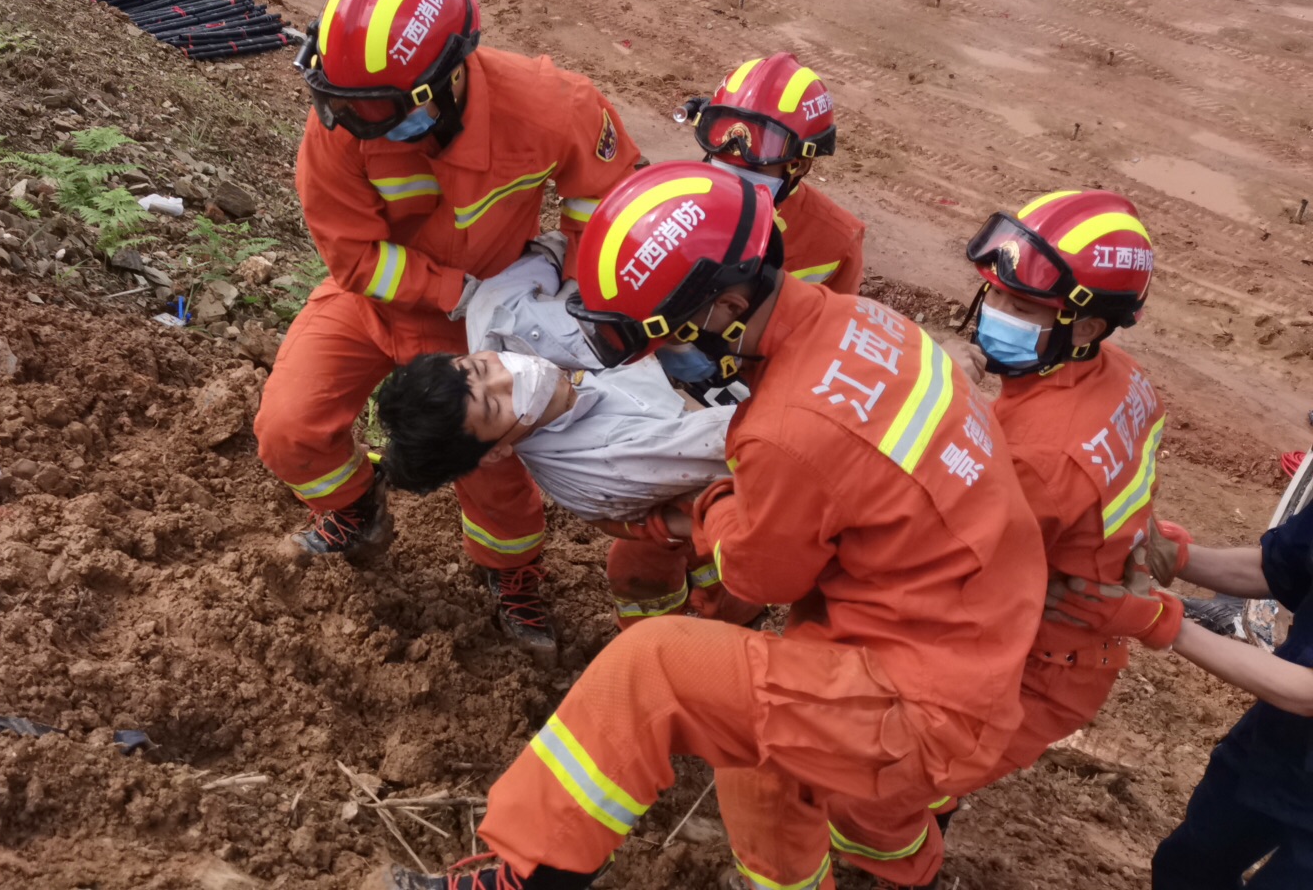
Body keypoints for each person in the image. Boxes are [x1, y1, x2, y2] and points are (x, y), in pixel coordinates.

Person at [385, 162, 1046, 890]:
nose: (654, 358)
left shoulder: (785, 431)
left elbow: (760, 576)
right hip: (965, 641)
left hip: (914, 694)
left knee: (654, 667)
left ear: (727, 305)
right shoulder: (865, 321)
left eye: (655, 335)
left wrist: (708, 509)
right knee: (753, 740)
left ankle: (521, 878)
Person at [254, 0, 641, 659]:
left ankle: (511, 573)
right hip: (374, 303)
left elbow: (610, 203)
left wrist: (568, 290)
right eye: (337, 99)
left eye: (374, 107)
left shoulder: (551, 104)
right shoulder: (341, 127)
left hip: (489, 323)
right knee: (288, 428)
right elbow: (353, 255)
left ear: (448, 78)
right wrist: (455, 292)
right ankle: (355, 510)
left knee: (493, 472)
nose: (350, 119)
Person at [825, 189, 1176, 886]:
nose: (995, 314)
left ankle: (898, 869)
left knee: (873, 791)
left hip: (1036, 664)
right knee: (929, 777)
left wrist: (929, 402)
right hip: (1058, 632)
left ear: (1085, 326)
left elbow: (930, 556)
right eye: (995, 294)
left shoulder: (1041, 459)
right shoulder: (1123, 380)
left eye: (1022, 306)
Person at [376, 241, 759, 628]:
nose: (508, 375)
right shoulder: (614, 461)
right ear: (496, 451)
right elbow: (755, 436)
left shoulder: (495, 311)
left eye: (480, 368)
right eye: (495, 405)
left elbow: (565, 245)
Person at [1143, 507, 1313, 888]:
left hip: (1295, 713)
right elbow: (1274, 568)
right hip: (1281, 743)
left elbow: (1307, 691)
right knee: (1187, 867)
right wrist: (1173, 555)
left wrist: (1163, 622)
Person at [680, 54, 864, 295]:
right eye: (722, 152)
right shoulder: (666, 202)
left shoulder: (836, 243)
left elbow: (835, 317)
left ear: (801, 165)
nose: (730, 178)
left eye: (755, 165)